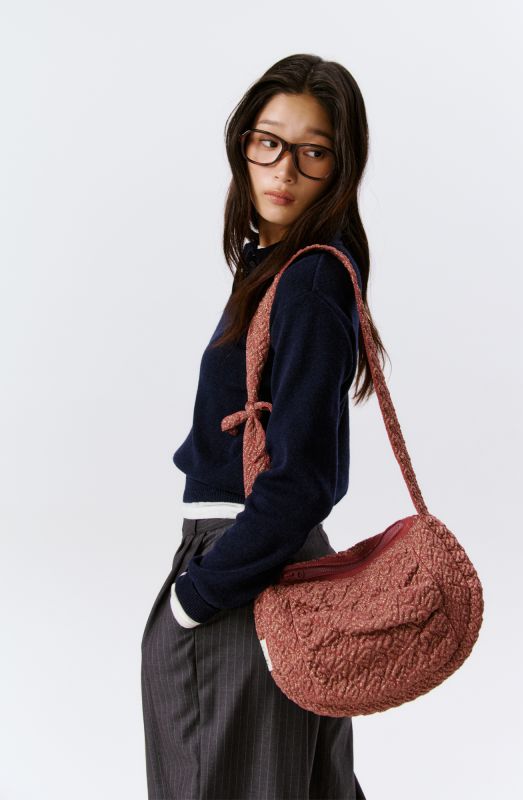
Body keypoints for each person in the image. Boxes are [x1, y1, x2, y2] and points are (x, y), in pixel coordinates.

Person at [140, 52, 389, 799]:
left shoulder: (308, 278)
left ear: (340, 167)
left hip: (246, 574)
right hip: (269, 572)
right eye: (269, 143)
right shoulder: (284, 268)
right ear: (244, 142)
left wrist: (195, 598)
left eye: (313, 152)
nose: (284, 169)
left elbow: (305, 479)